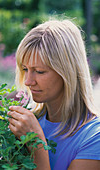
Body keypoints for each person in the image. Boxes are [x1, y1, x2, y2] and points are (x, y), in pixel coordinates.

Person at [7, 19, 100, 170]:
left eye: (39, 71)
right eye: (25, 69)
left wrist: (36, 144)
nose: (29, 81)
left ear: (67, 72)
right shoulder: (24, 123)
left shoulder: (94, 138)